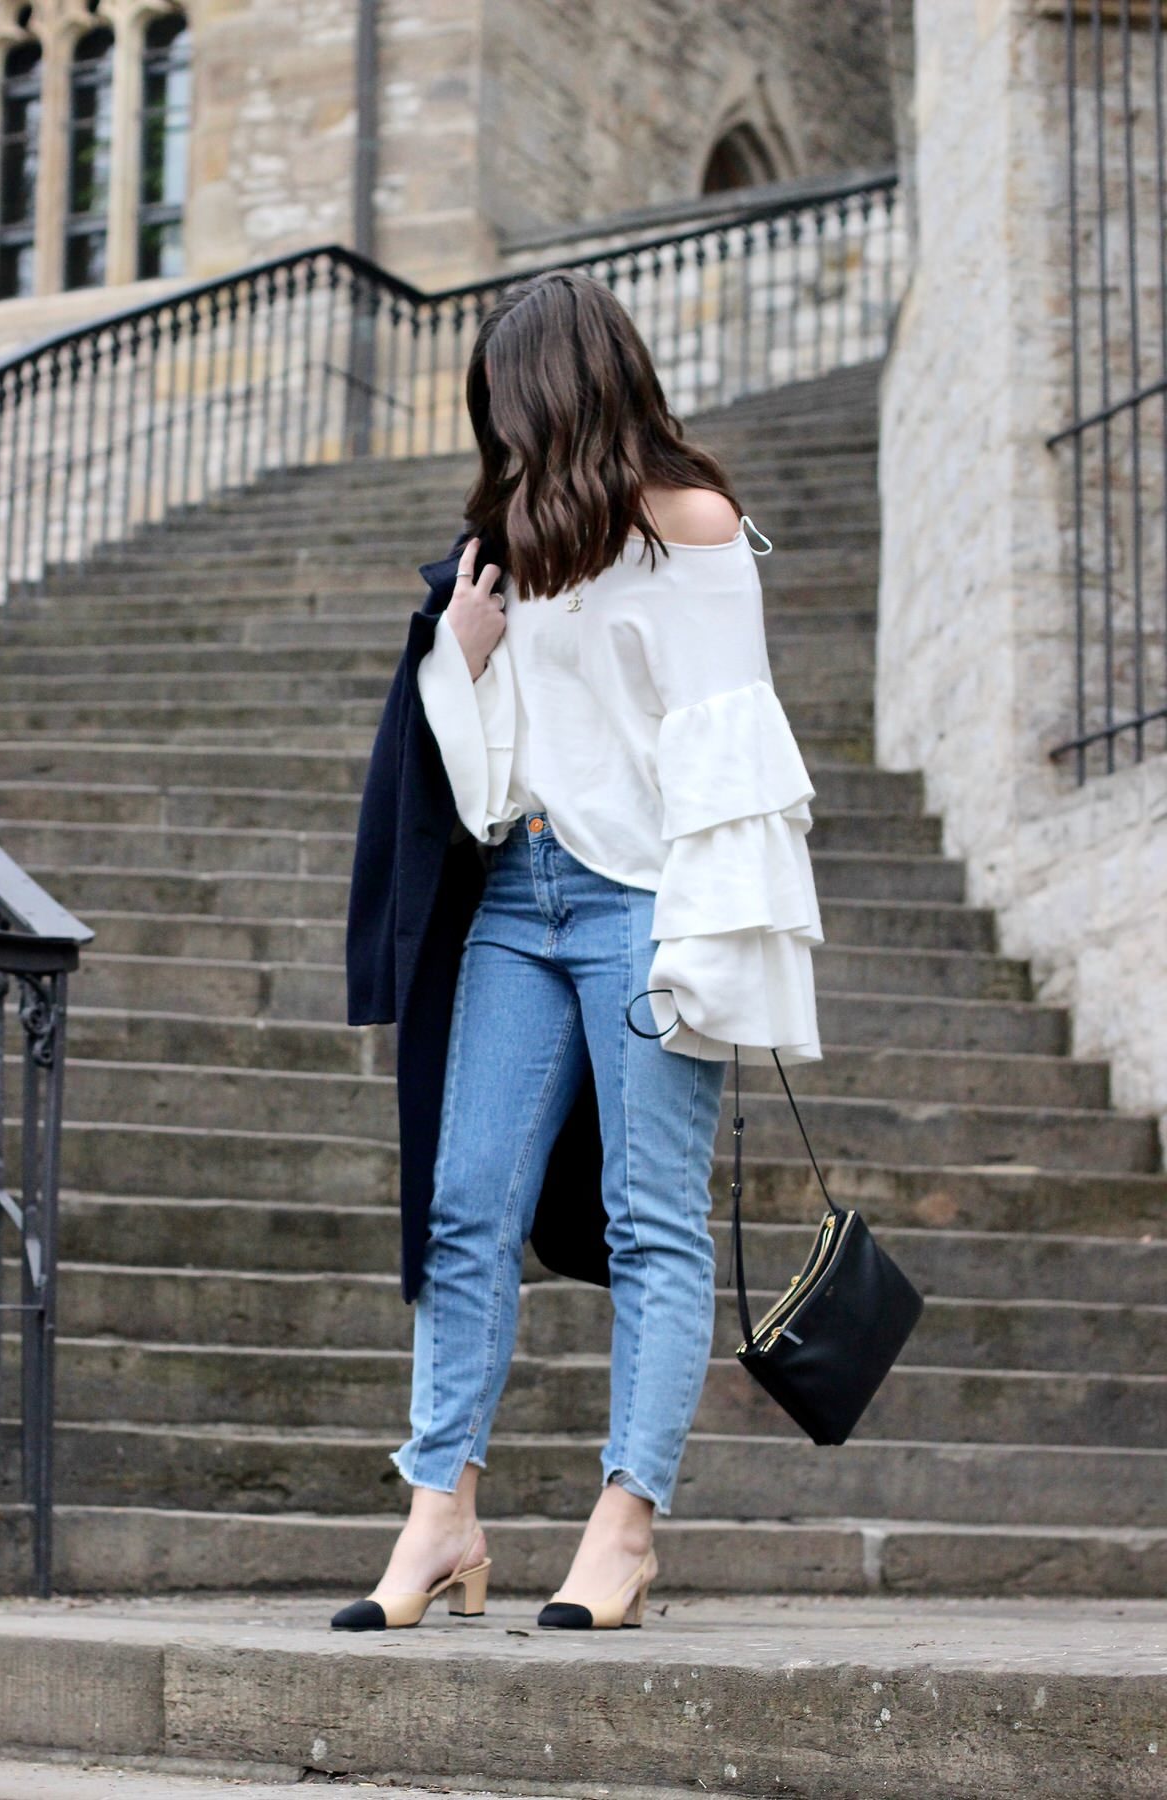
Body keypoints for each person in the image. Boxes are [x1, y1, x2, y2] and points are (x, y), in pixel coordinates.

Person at [333, 267, 824, 1632]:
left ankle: (625, 1524)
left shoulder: (695, 530)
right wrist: (469, 654)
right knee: (462, 1202)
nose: (502, 435)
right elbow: (483, 785)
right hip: (518, 900)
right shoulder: (513, 540)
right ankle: (441, 1516)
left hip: (645, 906)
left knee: (649, 1218)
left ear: (565, 386)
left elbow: (734, 753)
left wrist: (712, 948)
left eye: (511, 402)